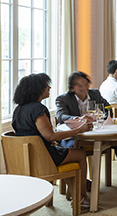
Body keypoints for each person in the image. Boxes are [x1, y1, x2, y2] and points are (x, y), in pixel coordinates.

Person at [12, 73, 92, 208]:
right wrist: (78, 130)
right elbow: (50, 136)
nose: (49, 87)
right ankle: (82, 196)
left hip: (25, 158)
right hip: (42, 157)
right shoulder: (38, 109)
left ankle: (77, 196)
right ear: (37, 89)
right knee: (79, 154)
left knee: (65, 153)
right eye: (45, 85)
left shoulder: (18, 109)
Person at [56, 71, 117, 187]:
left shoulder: (95, 94)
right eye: (79, 85)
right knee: (69, 147)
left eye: (86, 84)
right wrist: (78, 118)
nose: (84, 87)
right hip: (75, 135)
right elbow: (61, 116)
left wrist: (103, 118)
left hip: (96, 133)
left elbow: (108, 107)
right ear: (72, 88)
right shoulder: (63, 99)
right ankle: (79, 181)